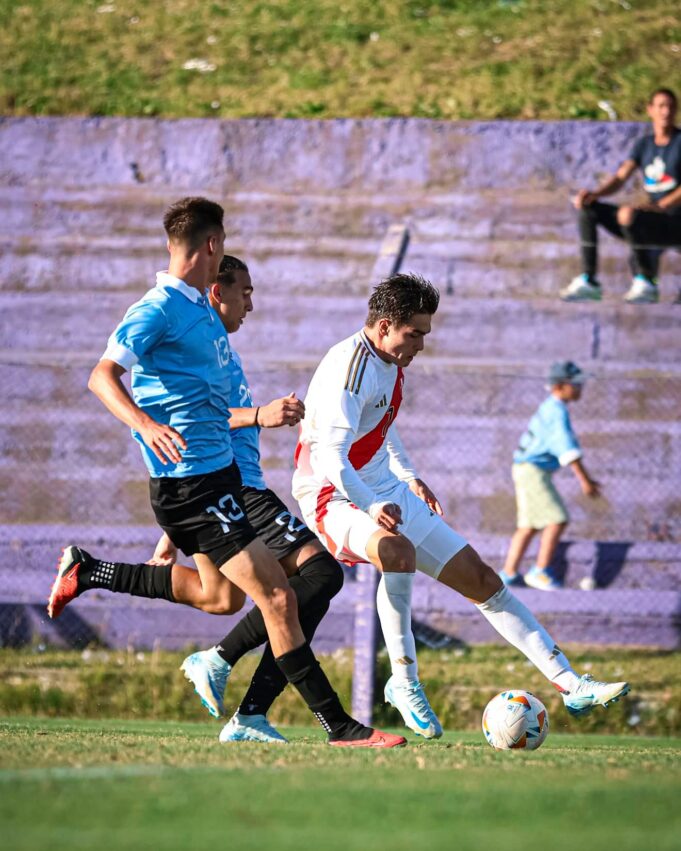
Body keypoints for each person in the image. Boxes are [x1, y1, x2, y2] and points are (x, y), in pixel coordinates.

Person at [47, 198, 404, 749]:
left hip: (209, 485)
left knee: (223, 598)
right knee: (284, 596)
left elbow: (200, 409)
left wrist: (174, 525)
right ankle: (333, 726)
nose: (248, 301)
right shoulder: (159, 308)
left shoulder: (196, 311)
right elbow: (102, 376)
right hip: (197, 487)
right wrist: (147, 425)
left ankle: (92, 573)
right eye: (241, 283)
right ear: (212, 246)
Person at [291, 273, 629, 737]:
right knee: (397, 552)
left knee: (484, 581)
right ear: (386, 325)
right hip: (333, 494)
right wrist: (371, 506)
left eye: (426, 334)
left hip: (378, 487)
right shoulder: (349, 368)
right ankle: (403, 682)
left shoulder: (388, 360)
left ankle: (572, 685)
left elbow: (382, 425)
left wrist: (409, 478)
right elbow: (331, 458)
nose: (422, 345)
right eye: (416, 334)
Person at [560, 87, 681, 304]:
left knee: (628, 214)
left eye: (671, 107)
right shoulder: (644, 145)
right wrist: (594, 194)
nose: (666, 112)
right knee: (588, 208)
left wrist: (662, 205)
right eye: (661, 106)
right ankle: (589, 280)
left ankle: (646, 281)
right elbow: (620, 177)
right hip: (650, 218)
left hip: (675, 221)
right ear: (650, 110)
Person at [499, 361, 600, 590]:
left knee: (529, 525)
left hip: (525, 469)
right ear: (561, 386)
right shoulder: (556, 411)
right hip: (533, 471)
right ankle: (540, 571)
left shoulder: (550, 407)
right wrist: (585, 481)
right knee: (557, 518)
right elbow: (567, 448)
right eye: (576, 384)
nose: (580, 388)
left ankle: (508, 573)